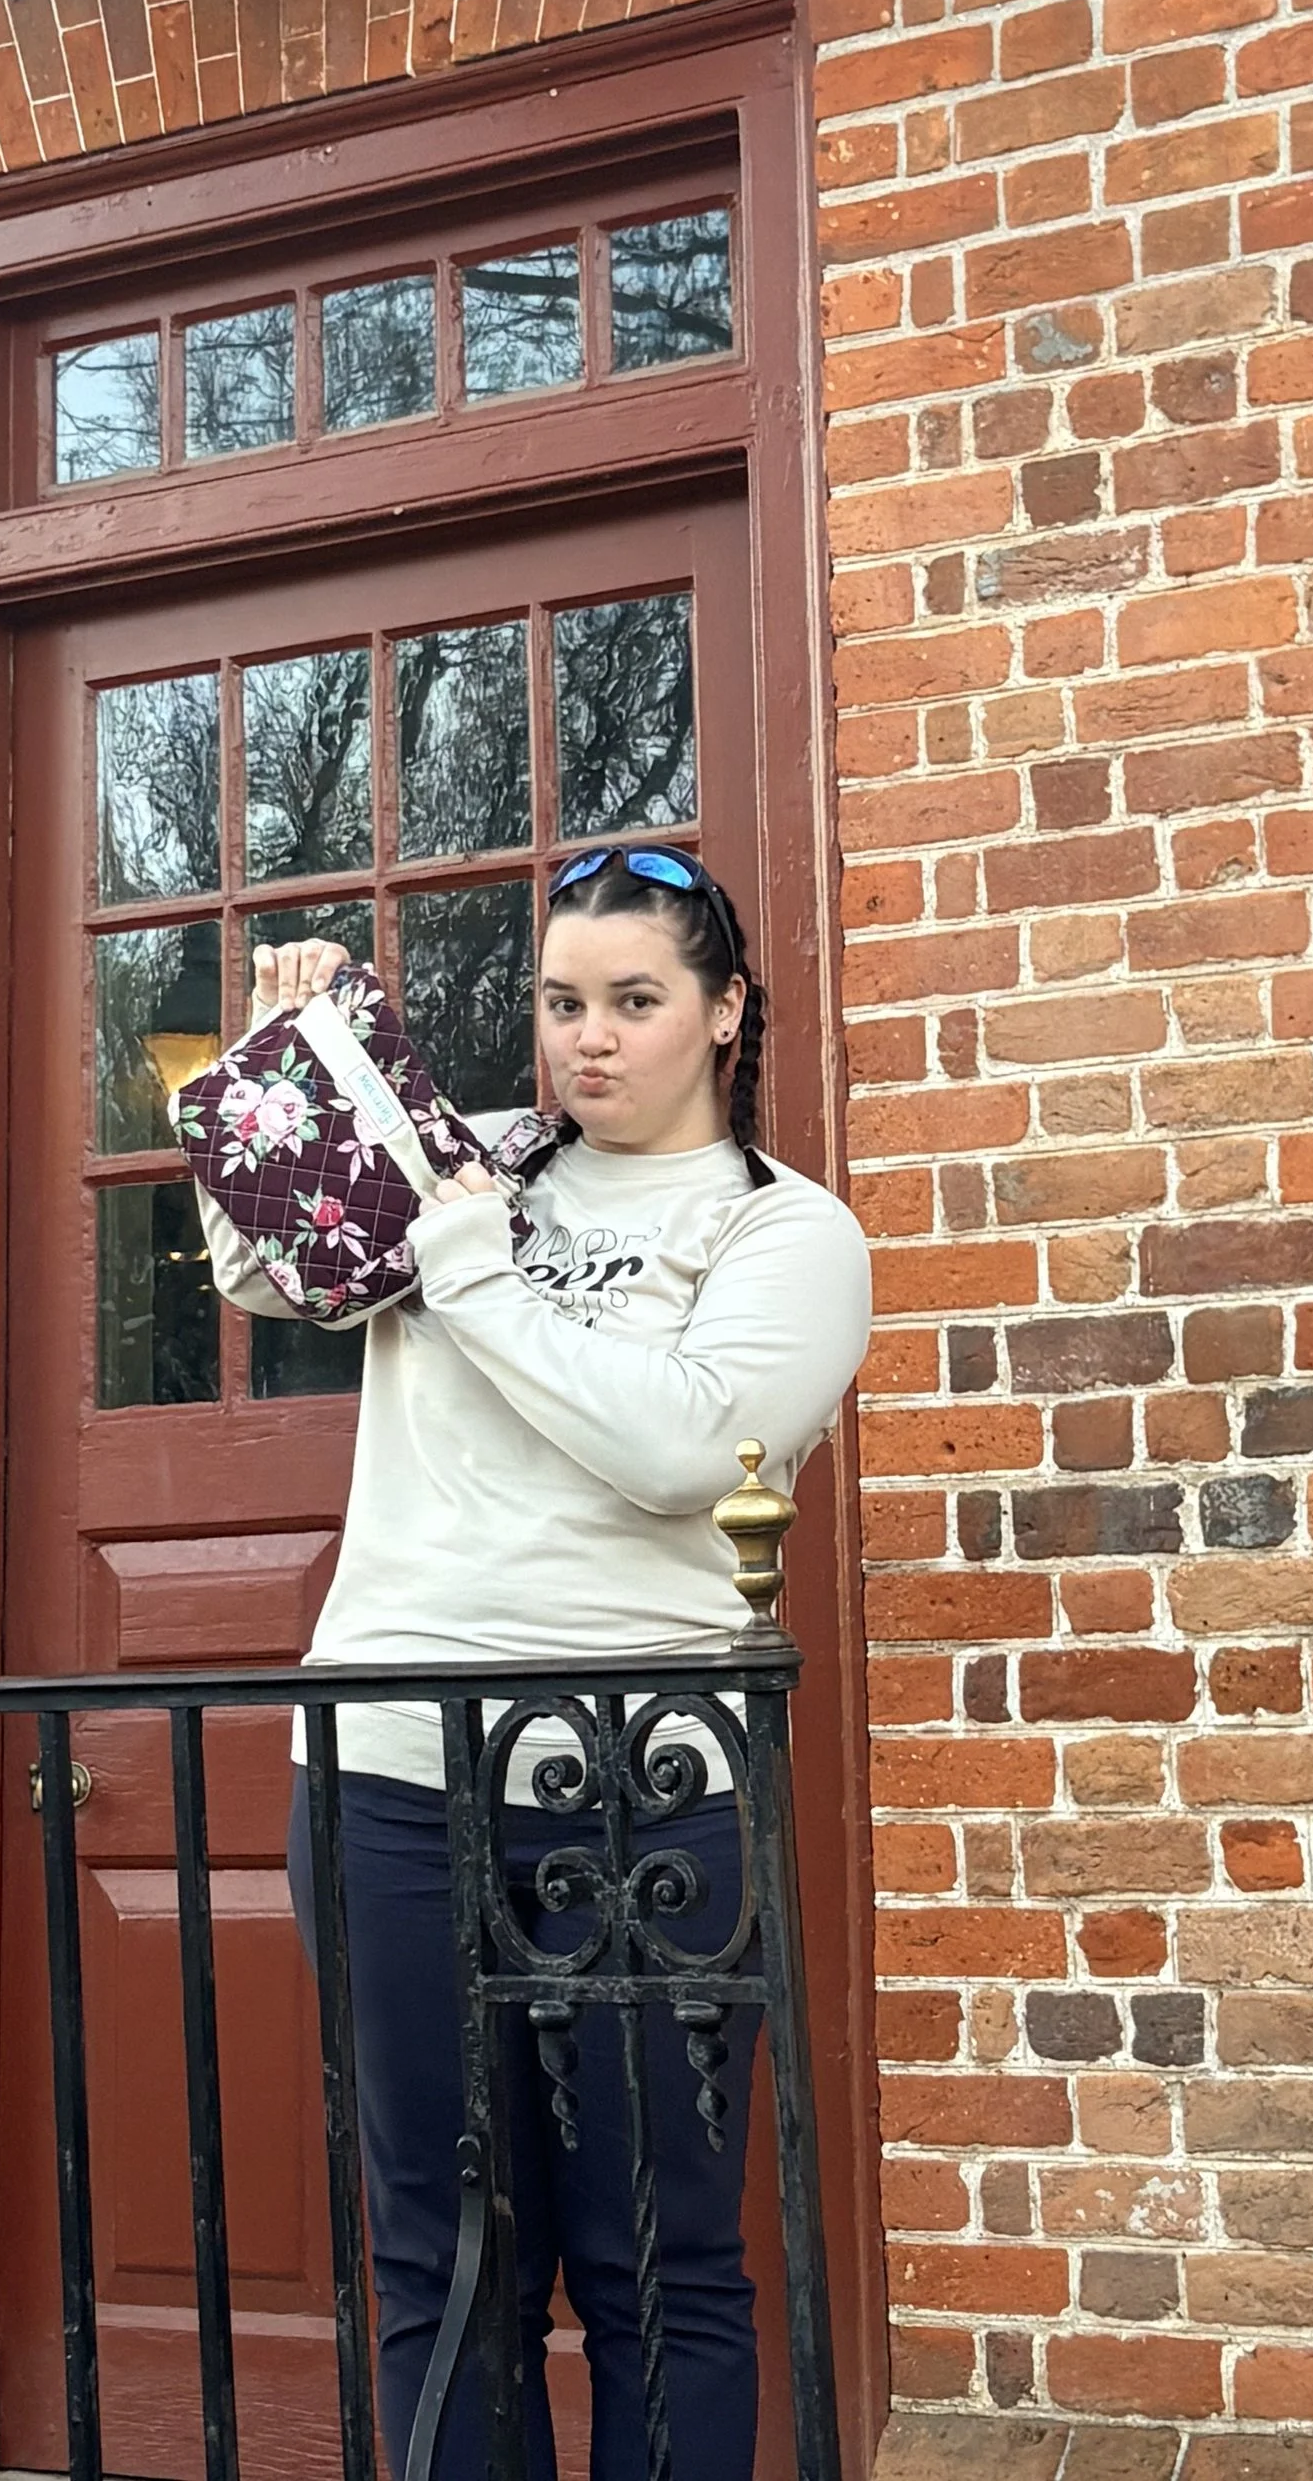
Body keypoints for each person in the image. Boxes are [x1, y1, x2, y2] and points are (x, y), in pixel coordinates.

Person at [191, 847, 872, 2481]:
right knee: (445, 2252)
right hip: (392, 1774)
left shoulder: (787, 1234)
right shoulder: (472, 1166)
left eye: (637, 1002)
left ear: (723, 1014)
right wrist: (297, 1070)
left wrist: (471, 1258)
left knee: (660, 2258)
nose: (591, 1039)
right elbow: (267, 1267)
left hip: (647, 1791)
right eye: (564, 1002)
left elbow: (687, 1453)